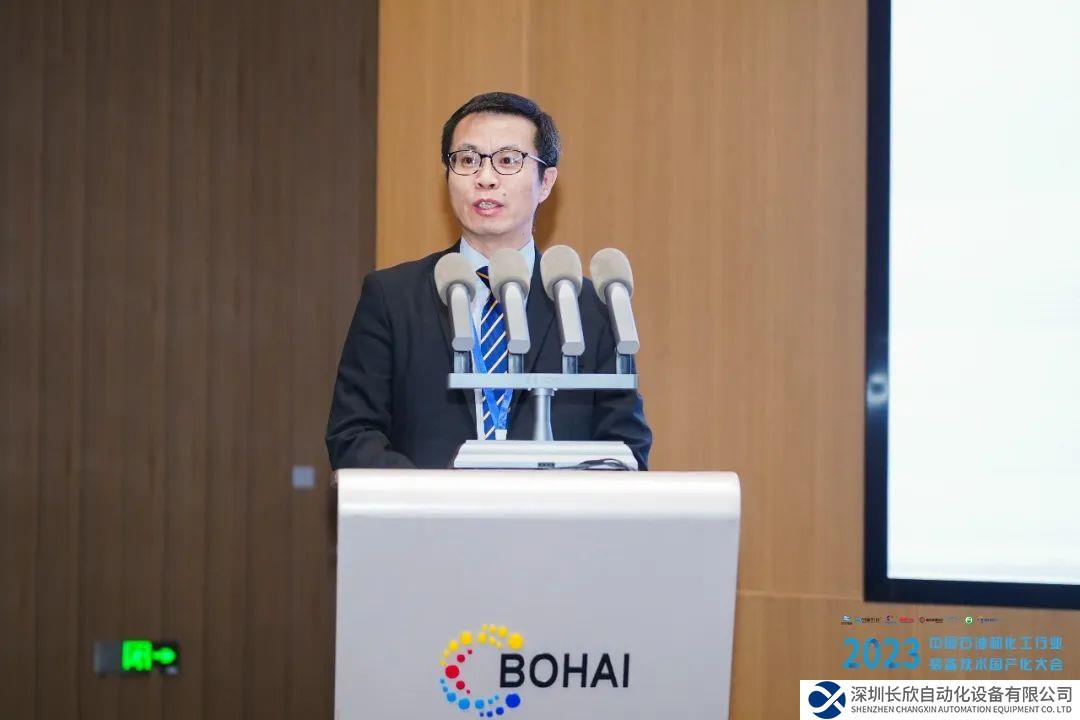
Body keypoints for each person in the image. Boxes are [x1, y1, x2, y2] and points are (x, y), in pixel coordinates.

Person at [326, 91, 651, 469]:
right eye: (467, 160)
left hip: (552, 507)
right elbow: (353, 434)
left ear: (546, 182)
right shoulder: (392, 297)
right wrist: (429, 495)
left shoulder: (588, 307)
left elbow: (626, 446)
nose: (485, 178)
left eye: (508, 160)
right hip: (428, 507)